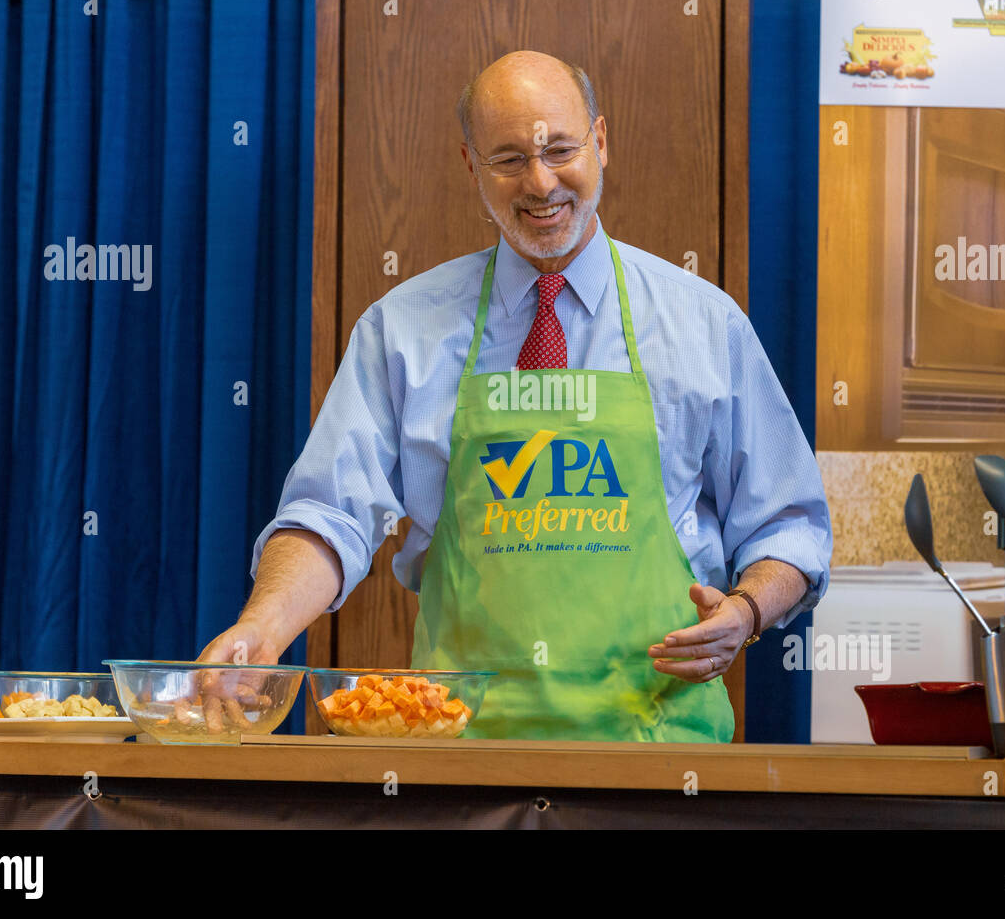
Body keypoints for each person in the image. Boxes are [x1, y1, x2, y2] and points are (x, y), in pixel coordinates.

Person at [200, 50, 832, 742]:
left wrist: (744, 611)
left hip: (658, 752)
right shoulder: (402, 329)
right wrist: (261, 628)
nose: (540, 183)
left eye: (561, 149)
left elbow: (789, 527)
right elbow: (330, 513)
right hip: (456, 756)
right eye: (508, 159)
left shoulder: (705, 324)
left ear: (601, 140)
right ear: (471, 165)